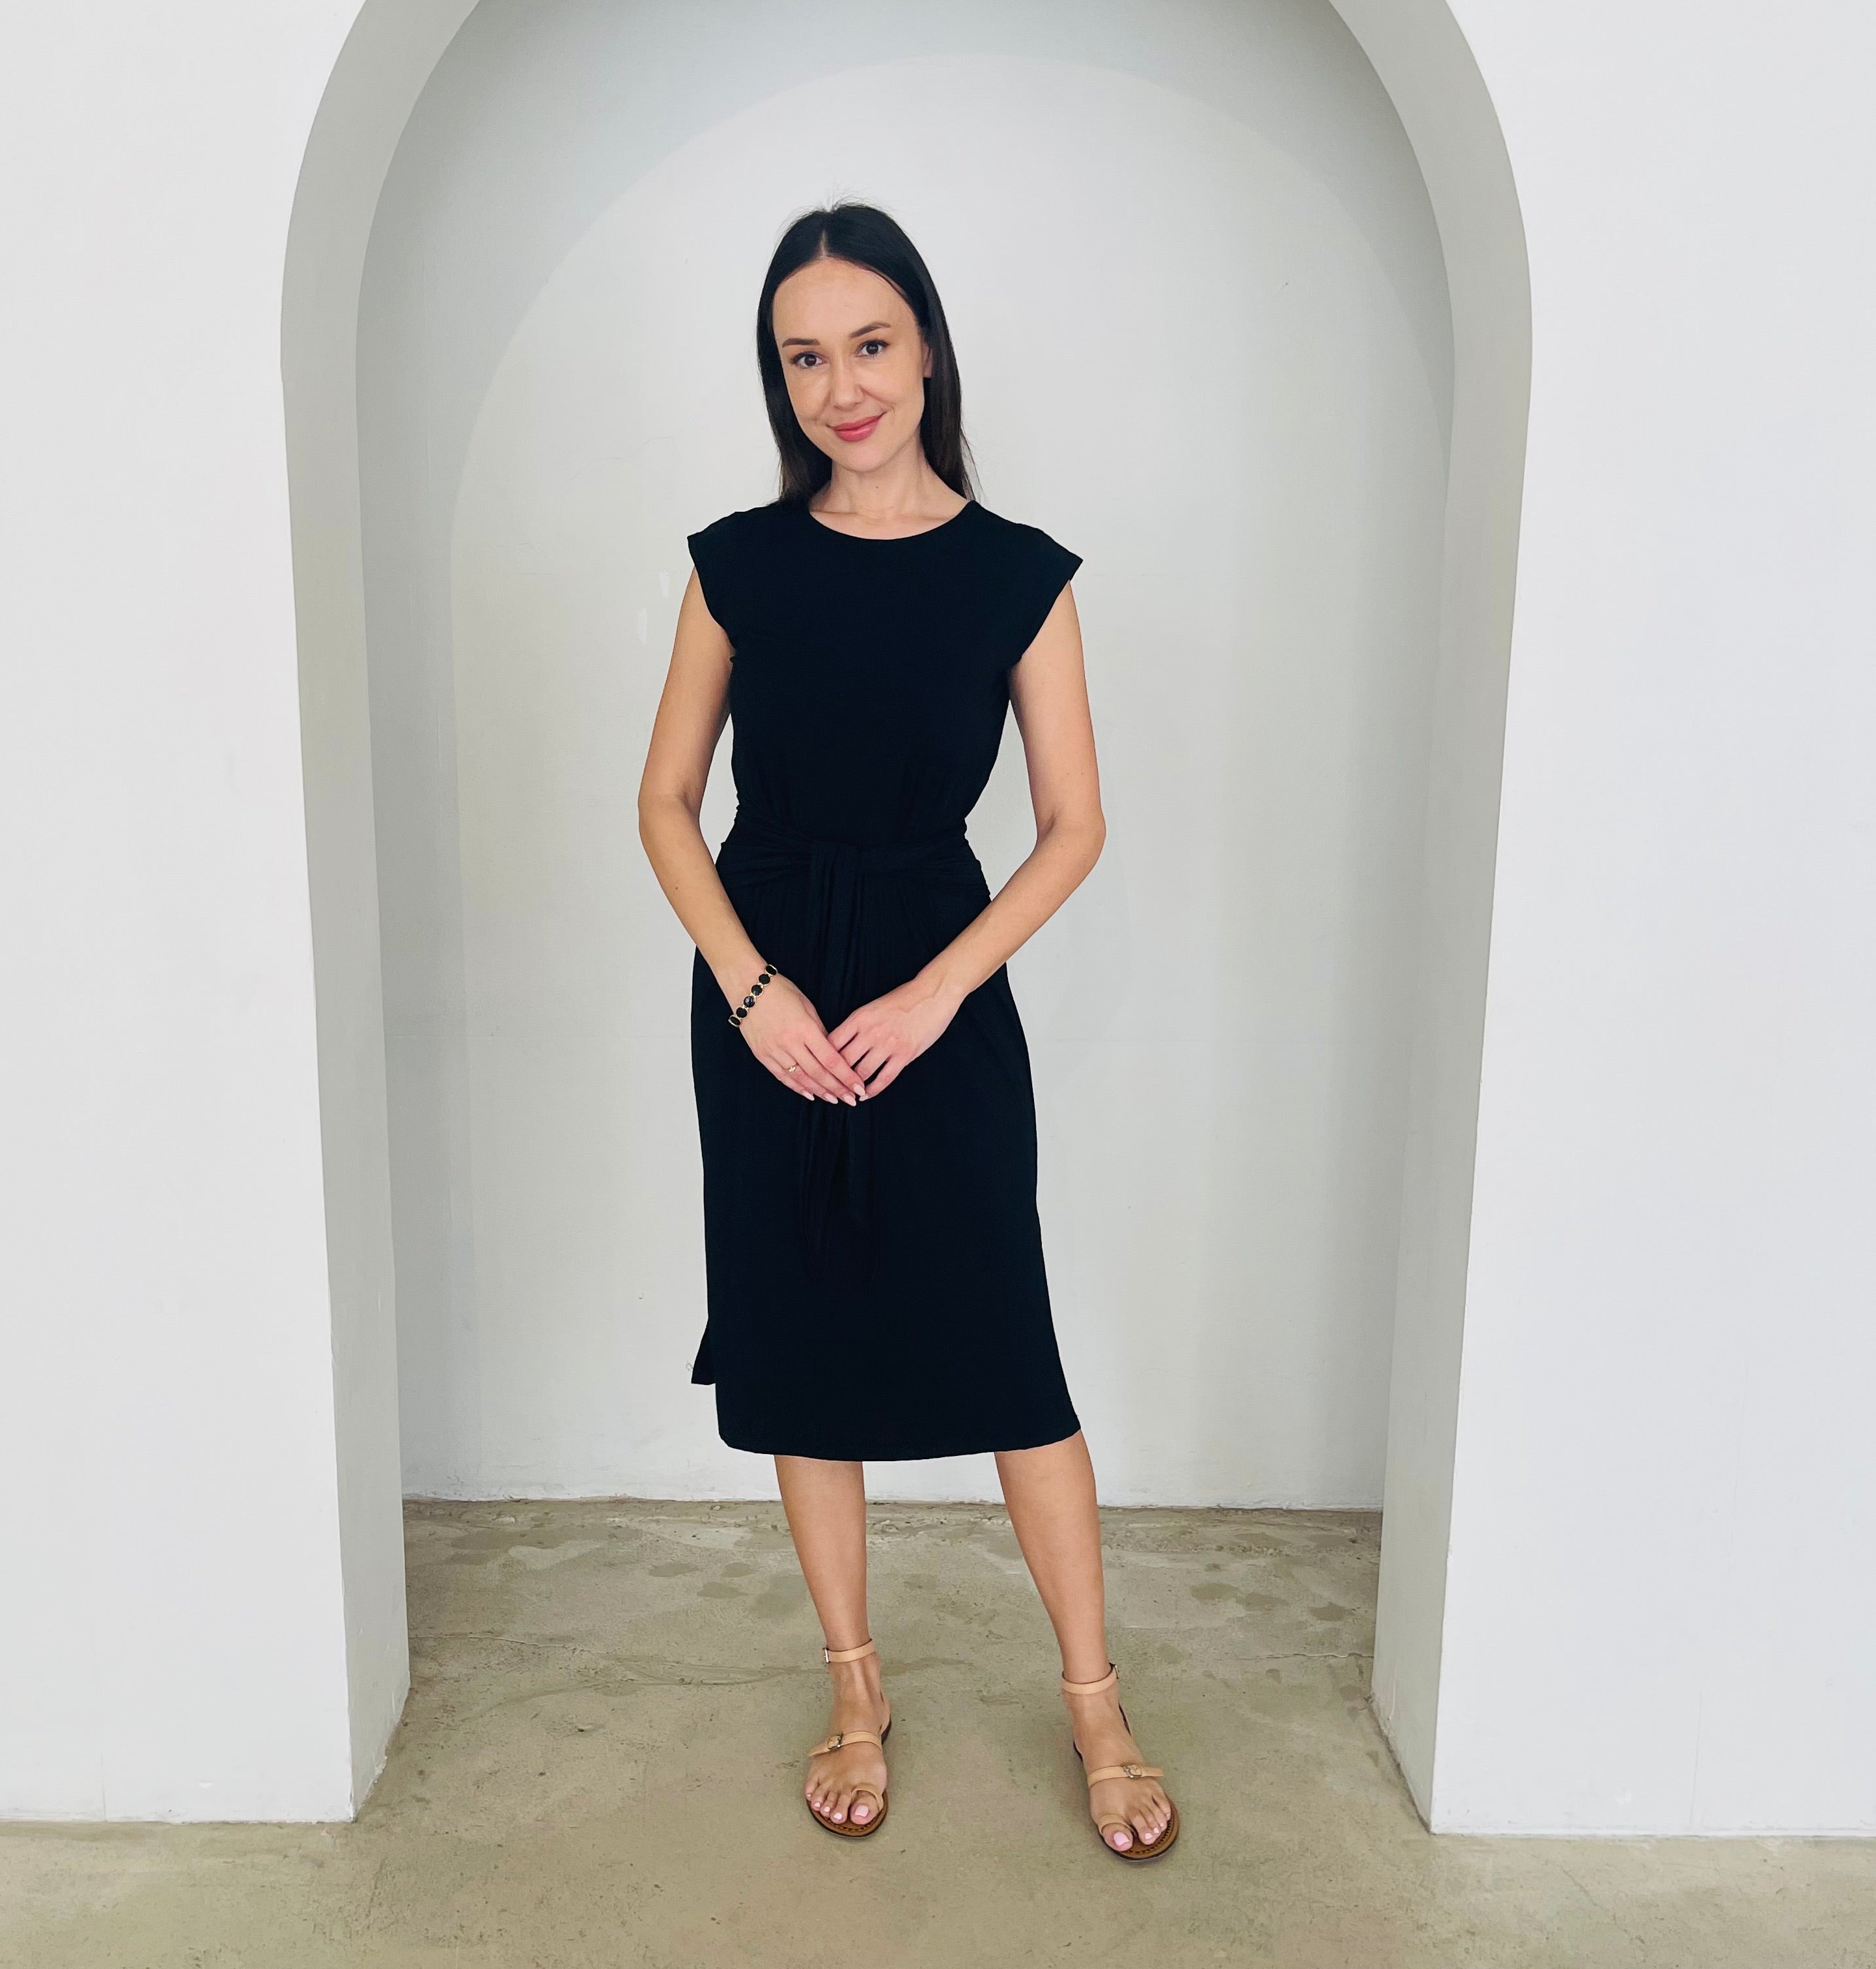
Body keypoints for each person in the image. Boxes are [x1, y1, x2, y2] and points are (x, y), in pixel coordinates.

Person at [636, 202, 1178, 1860]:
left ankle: (1097, 1705)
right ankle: (855, 1691)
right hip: (767, 990)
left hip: (939, 987)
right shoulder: (737, 564)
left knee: (1010, 1350)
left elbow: (1075, 827)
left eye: (869, 345)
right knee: (802, 1345)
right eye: (804, 358)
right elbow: (664, 803)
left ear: (927, 348)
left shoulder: (1020, 577)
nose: (841, 388)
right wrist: (753, 989)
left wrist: (943, 987)